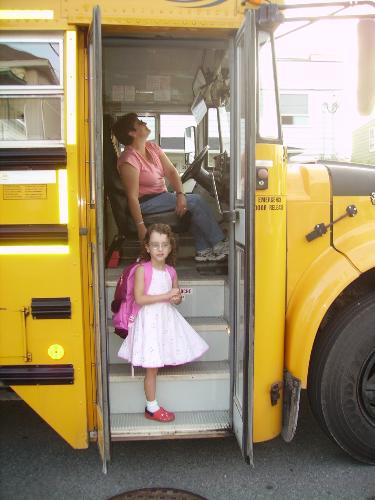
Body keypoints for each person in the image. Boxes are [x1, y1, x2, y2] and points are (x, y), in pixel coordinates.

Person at [118, 224, 209, 422]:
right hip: (149, 322)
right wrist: (167, 295)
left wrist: (176, 298)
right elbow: (140, 299)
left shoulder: (171, 271)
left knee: (158, 359)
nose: (160, 249)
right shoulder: (143, 270)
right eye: (155, 245)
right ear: (147, 247)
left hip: (166, 321)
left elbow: (175, 296)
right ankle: (151, 407)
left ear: (170, 248)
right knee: (152, 367)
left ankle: (152, 406)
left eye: (164, 245)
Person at [112, 112, 229, 262]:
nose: (145, 124)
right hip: (145, 203)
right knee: (196, 201)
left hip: (161, 196)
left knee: (188, 204)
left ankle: (203, 249)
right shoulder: (129, 159)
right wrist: (140, 226)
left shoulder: (152, 147)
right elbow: (132, 197)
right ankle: (219, 243)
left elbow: (172, 171)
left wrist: (180, 194)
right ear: (132, 133)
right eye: (140, 123)